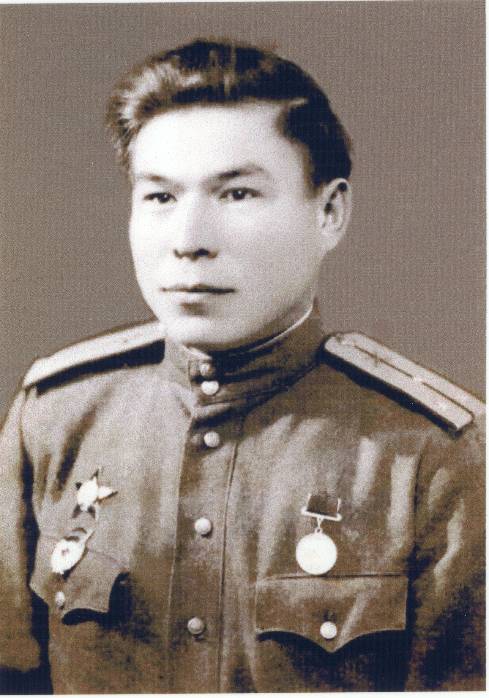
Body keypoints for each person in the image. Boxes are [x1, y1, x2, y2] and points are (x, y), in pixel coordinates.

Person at [0, 38, 484, 693]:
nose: (189, 240)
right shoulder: (55, 419)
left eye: (236, 194)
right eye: (160, 197)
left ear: (329, 212)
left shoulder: (434, 454)